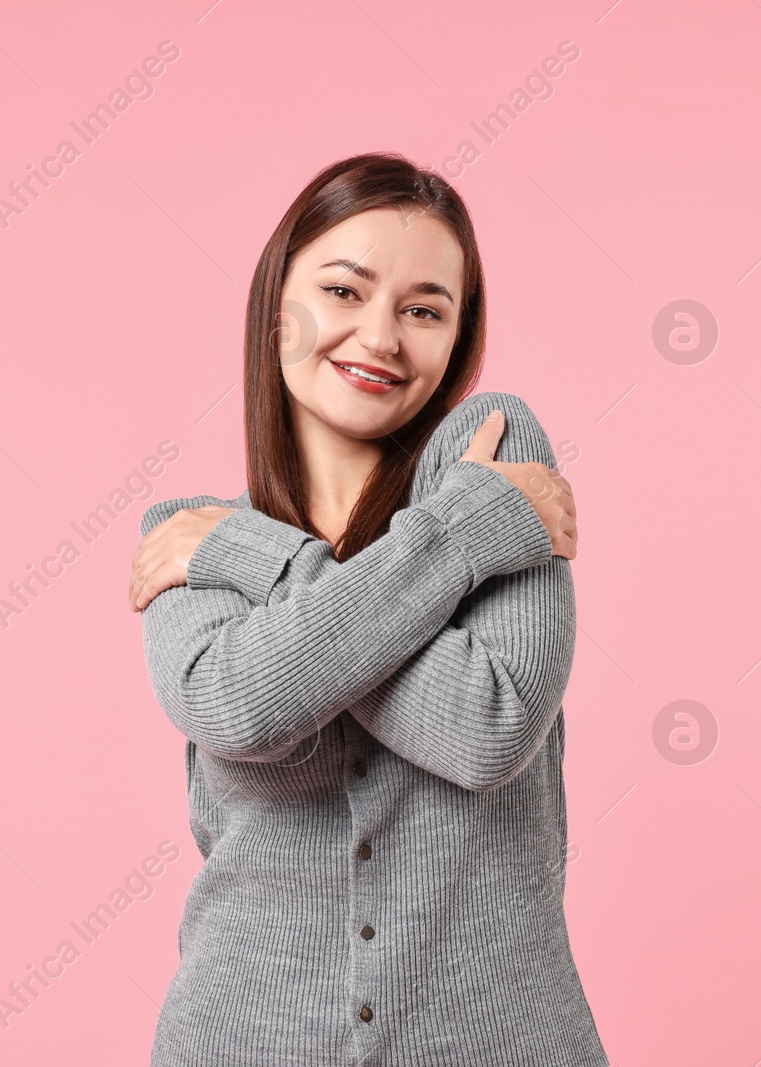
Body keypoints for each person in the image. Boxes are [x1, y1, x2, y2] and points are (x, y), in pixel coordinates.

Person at [128, 152, 606, 1066]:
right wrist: (469, 536)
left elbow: (486, 725)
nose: (381, 337)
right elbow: (242, 706)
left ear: (458, 343)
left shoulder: (489, 453)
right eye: (345, 291)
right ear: (276, 307)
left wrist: (265, 566)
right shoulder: (190, 534)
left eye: (425, 310)